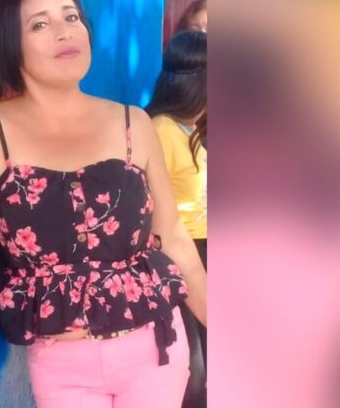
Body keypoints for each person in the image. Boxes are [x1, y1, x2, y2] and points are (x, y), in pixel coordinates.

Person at [0, 0, 207, 408]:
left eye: (71, 17)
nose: (64, 31)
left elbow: (172, 237)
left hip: (154, 349)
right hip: (61, 364)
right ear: (9, 44)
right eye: (40, 23)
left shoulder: (133, 123)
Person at [146, 30, 208, 408]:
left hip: (210, 250)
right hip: (180, 254)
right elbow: (151, 210)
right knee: (193, 369)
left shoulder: (198, 128)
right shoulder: (160, 131)